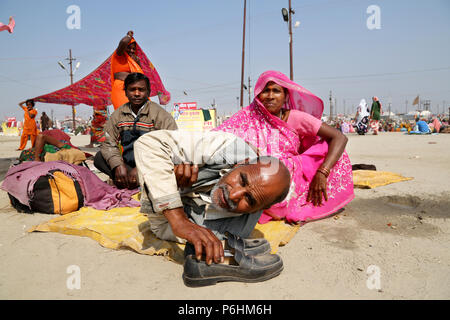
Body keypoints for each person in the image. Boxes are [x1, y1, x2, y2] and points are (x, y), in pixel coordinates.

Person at [134, 129, 291, 286]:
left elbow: (161, 228)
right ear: (241, 163)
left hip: (184, 213)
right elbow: (147, 144)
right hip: (157, 184)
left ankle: (224, 253)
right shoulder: (225, 147)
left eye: (249, 199)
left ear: (256, 210)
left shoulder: (238, 227)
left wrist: (182, 224)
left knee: (208, 244)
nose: (234, 195)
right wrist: (175, 213)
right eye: (242, 180)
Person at [215, 70, 354, 224]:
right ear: (257, 94)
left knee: (336, 153)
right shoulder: (247, 116)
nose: (270, 96)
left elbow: (339, 137)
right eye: (265, 91)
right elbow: (216, 137)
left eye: (276, 91)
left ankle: (304, 203)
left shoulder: (294, 117)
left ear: (286, 96)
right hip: (258, 178)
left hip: (291, 175)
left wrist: (322, 173)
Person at [94, 72, 177, 190]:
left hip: (152, 166)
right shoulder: (118, 114)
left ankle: (132, 183)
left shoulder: (160, 114)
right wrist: (117, 165)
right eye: (132, 90)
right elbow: (108, 142)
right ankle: (130, 182)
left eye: (141, 90)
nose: (137, 93)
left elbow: (172, 144)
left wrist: (141, 168)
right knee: (99, 157)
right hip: (128, 166)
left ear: (148, 92)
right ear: (126, 92)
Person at [111, 30, 144, 110]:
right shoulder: (118, 56)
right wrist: (129, 36)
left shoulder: (134, 61)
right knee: (125, 115)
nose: (131, 51)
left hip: (135, 91)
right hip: (121, 90)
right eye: (129, 48)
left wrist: (137, 62)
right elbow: (123, 42)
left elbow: (141, 76)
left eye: (133, 49)